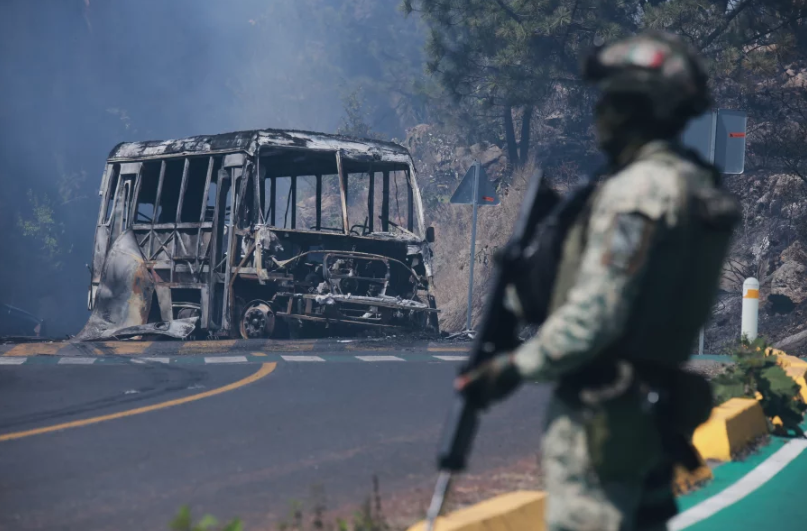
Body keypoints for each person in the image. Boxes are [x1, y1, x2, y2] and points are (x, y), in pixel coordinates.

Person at [455, 30, 740, 531]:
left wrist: (512, 368)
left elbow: (597, 315)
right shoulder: (696, 186)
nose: (599, 115)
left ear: (635, 109)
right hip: (654, 411)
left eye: (610, 101)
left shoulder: (638, 194)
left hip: (604, 417)